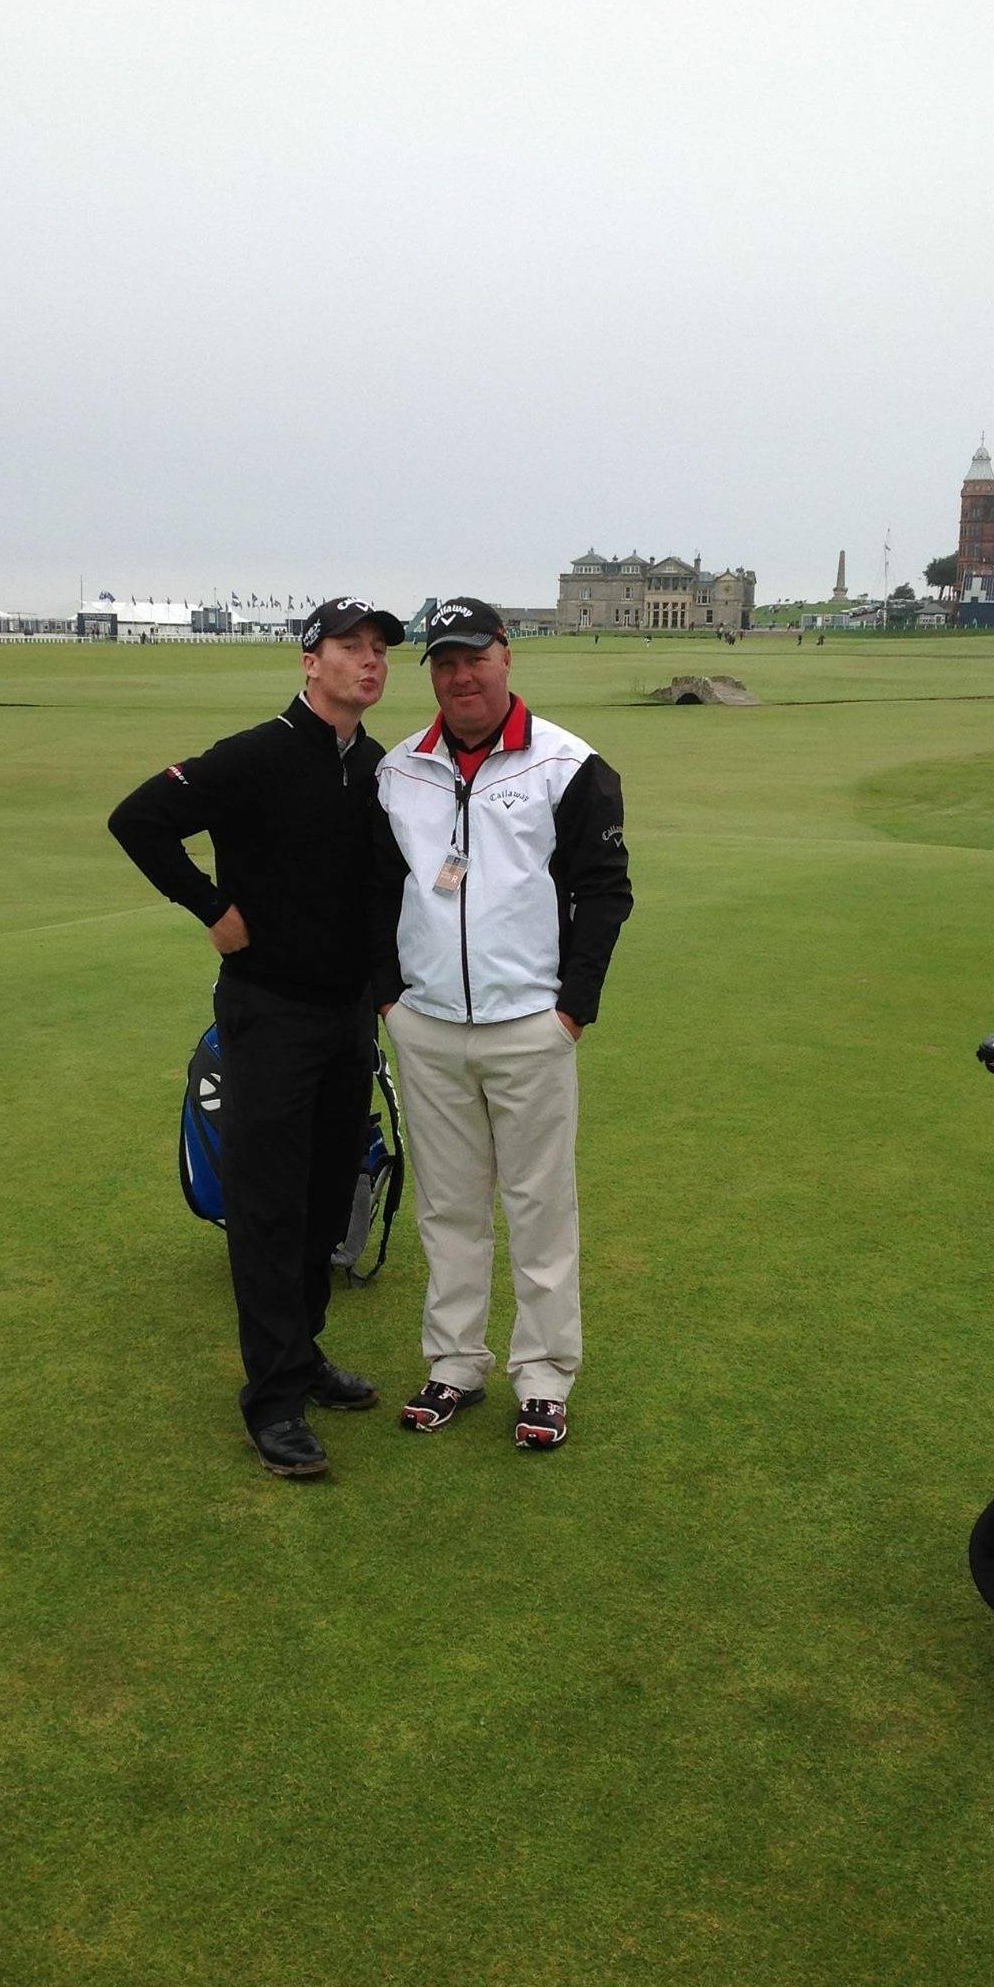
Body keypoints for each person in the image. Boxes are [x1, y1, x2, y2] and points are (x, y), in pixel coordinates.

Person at [108, 597, 405, 1479]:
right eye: (349, 647)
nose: (369, 661)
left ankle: (302, 1355)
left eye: (380, 650)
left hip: (346, 1015)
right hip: (269, 1012)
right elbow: (138, 820)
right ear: (308, 662)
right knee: (270, 1207)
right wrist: (210, 908)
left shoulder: (377, 770)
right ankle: (271, 1401)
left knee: (321, 1200)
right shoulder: (254, 756)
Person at [373, 598, 632, 1452]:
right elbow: (375, 895)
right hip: (428, 1025)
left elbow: (603, 892)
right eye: (444, 662)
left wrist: (571, 1011)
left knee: (537, 1208)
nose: (459, 676)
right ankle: (454, 1364)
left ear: (506, 656)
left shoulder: (567, 764)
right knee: (447, 1210)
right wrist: (390, 997)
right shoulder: (400, 771)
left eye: (473, 656)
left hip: (529, 1026)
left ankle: (546, 1375)